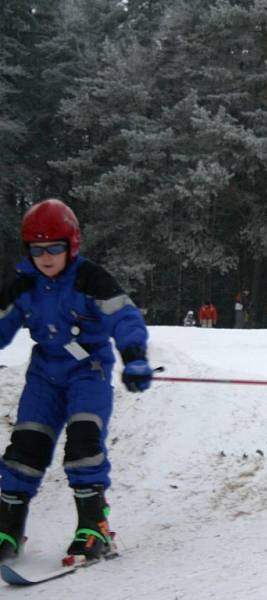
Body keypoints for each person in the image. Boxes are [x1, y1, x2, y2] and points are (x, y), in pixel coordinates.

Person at [0, 198, 153, 563]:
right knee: (26, 445)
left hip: (89, 371)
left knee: (84, 442)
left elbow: (124, 316)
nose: (46, 257)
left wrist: (134, 358)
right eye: (38, 249)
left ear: (72, 245)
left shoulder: (90, 279)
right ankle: (8, 528)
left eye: (55, 247)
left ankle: (93, 527)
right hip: (44, 374)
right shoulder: (24, 284)